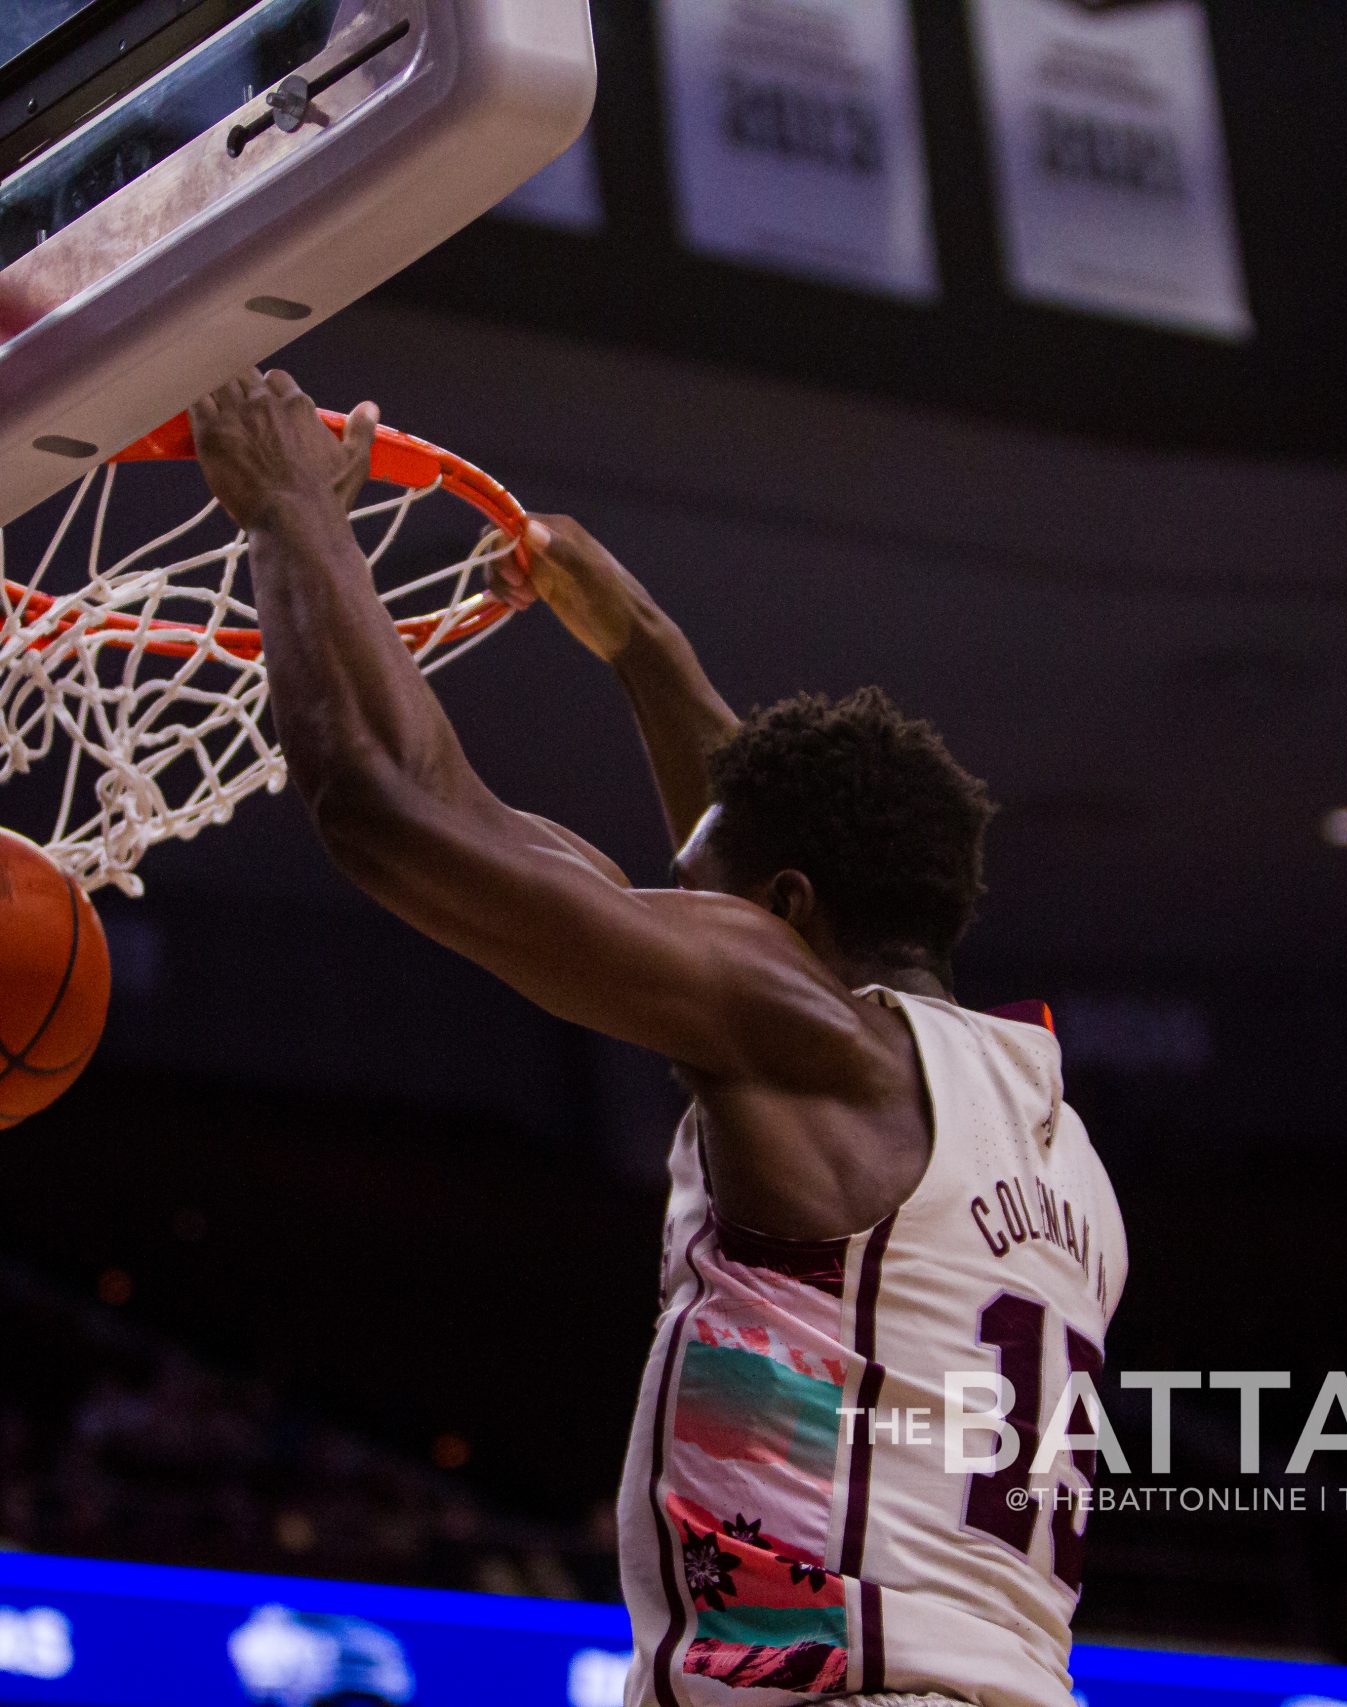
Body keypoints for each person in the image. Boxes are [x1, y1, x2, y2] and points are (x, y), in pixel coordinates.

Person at [191, 371, 1127, 1707]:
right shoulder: (1046, 1139)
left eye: (706, 894)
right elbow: (771, 883)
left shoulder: (817, 1037)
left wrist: (288, 511)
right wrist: (644, 647)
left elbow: (388, 808)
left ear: (786, 916)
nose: (683, 919)